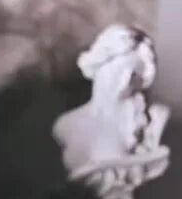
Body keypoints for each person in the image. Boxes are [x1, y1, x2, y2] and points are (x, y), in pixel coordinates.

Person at [53, 24, 170, 177]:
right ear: (98, 66)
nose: (123, 81)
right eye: (117, 70)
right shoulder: (66, 125)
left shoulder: (153, 119)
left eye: (133, 75)